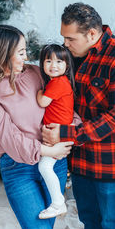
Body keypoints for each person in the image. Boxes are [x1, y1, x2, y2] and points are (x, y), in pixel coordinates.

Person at [42, 2, 115, 229]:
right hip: (81, 164)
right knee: (89, 222)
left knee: (113, 224)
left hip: (112, 167)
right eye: (64, 38)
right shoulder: (68, 58)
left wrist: (66, 133)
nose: (65, 44)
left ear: (91, 34)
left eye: (70, 39)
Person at [0, 25, 74, 229]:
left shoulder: (35, 73)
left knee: (47, 227)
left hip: (54, 162)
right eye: (21, 52)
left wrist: (65, 136)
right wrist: (48, 150)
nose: (26, 57)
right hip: (18, 167)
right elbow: (8, 135)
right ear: (4, 54)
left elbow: (66, 107)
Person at [37, 44, 75, 219]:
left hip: (59, 135)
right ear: (42, 64)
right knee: (46, 166)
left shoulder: (58, 83)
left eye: (59, 61)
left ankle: (58, 203)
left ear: (67, 65)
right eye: (48, 60)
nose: (54, 65)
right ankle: (58, 202)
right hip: (59, 133)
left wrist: (38, 92)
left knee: (44, 166)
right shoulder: (57, 82)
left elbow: (43, 102)